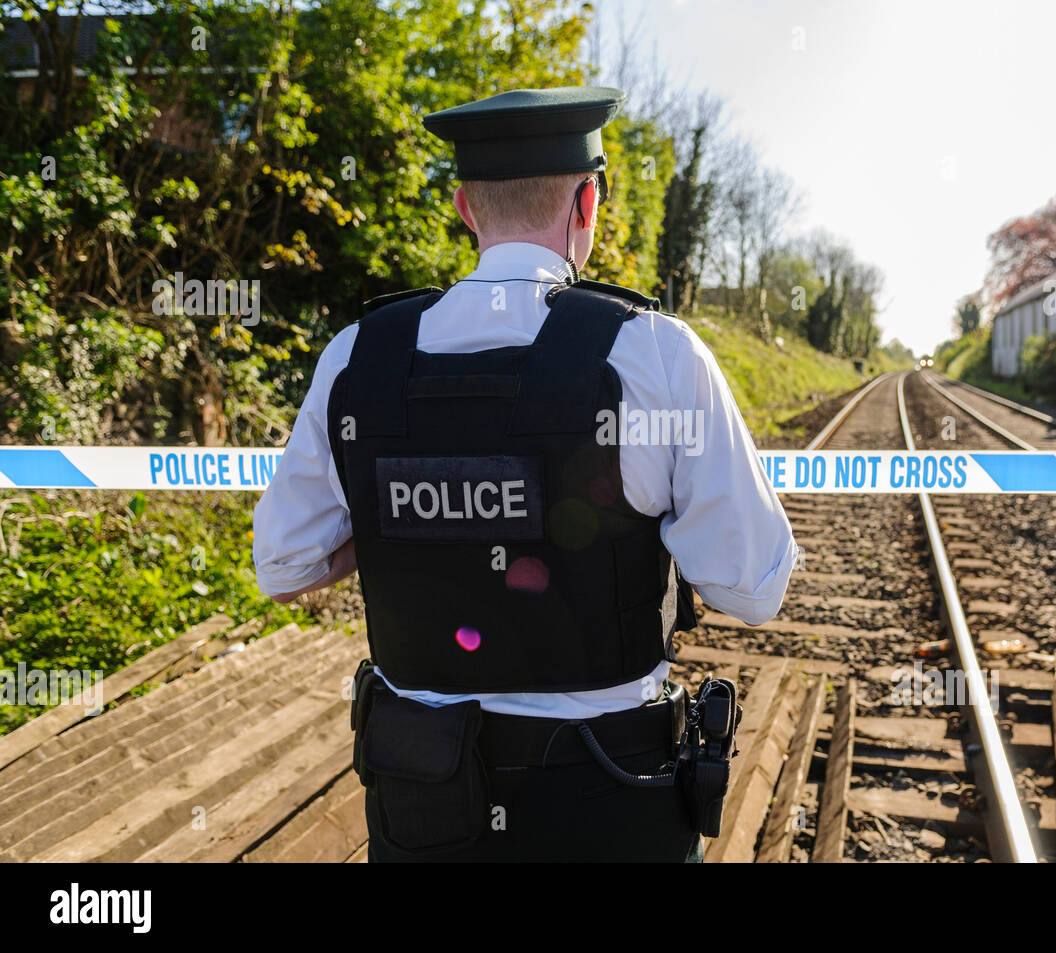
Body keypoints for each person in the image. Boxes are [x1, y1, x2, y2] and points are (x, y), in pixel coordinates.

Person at [252, 86, 797, 862]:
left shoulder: (358, 356)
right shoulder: (654, 354)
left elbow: (282, 565)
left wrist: (399, 519)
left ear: (465, 209)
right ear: (588, 203)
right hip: (608, 801)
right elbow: (752, 588)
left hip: (424, 803)